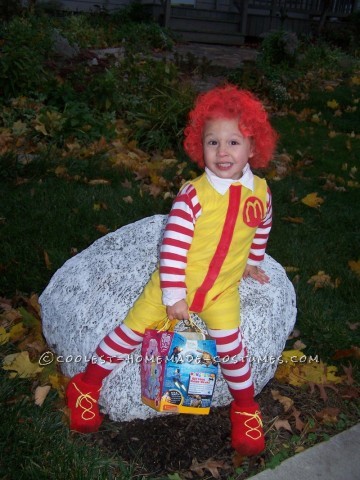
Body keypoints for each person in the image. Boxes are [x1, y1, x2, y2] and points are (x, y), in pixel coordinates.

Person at [66, 84, 277, 457]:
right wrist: (173, 296)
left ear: (254, 147)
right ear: (200, 148)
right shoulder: (193, 196)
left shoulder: (260, 192)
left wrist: (253, 262)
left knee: (232, 349)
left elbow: (261, 226)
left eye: (234, 142)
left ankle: (245, 409)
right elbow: (173, 249)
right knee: (129, 332)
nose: (222, 152)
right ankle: (87, 384)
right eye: (213, 142)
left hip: (220, 293)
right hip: (172, 286)